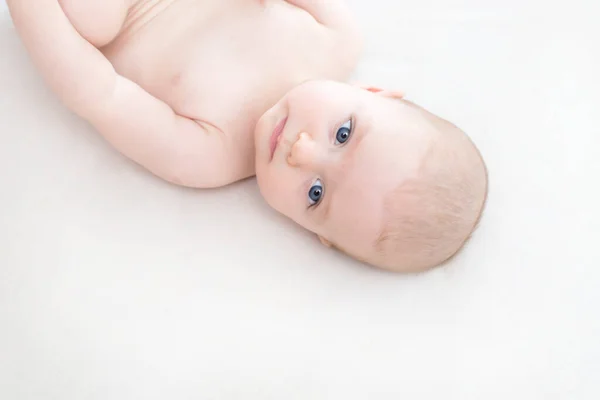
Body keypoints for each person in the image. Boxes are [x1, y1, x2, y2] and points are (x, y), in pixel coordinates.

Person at [7, 0, 488, 273]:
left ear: (312, 234)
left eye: (316, 195)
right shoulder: (335, 36)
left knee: (96, 16)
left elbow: (98, 93)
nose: (301, 150)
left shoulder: (209, 157)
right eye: (343, 133)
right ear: (377, 92)